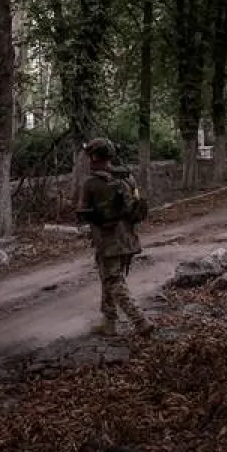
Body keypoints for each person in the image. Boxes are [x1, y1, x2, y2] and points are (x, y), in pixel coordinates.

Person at [76, 137, 154, 338]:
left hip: (107, 240)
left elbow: (82, 212)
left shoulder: (91, 183)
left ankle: (140, 321)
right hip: (128, 238)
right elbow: (137, 208)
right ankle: (109, 323)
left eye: (89, 155)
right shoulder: (128, 178)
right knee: (108, 280)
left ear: (94, 157)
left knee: (114, 281)